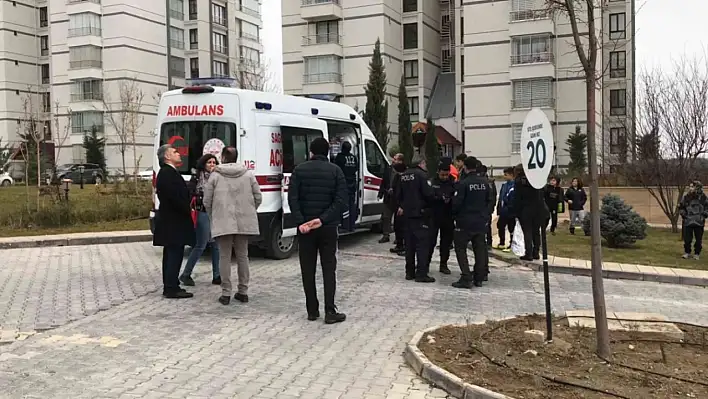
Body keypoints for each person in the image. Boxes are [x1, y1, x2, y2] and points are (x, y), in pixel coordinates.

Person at [288, 137, 348, 324]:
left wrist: (302, 223)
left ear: (311, 152)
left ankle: (312, 310)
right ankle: (330, 311)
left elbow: (293, 199)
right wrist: (322, 220)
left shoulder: (299, 170)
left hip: (305, 229)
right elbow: (340, 201)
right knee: (329, 269)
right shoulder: (336, 171)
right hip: (328, 228)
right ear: (328, 152)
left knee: (308, 269)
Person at [203, 147, 262, 305]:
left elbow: (207, 201)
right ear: (236, 157)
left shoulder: (215, 176)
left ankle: (226, 293)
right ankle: (243, 291)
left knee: (224, 256)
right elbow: (258, 197)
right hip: (244, 220)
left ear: (222, 157)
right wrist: (249, 210)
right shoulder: (248, 174)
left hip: (223, 220)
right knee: (243, 256)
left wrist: (214, 215)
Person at [153, 144, 195, 299]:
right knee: (174, 254)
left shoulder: (170, 173)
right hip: (173, 221)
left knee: (173, 253)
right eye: (175, 152)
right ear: (167, 157)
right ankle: (171, 287)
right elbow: (174, 197)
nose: (179, 154)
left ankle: (171, 285)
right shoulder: (167, 173)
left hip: (172, 221)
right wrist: (186, 207)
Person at [179, 154, 221, 287]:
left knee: (216, 245)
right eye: (209, 162)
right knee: (201, 245)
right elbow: (190, 193)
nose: (212, 164)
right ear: (204, 164)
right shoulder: (198, 177)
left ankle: (217, 275)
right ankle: (186, 274)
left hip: (215, 213)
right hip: (202, 212)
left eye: (214, 162)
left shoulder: (218, 177)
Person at [451, 156, 493, 288]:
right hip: (480, 221)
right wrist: (486, 216)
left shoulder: (464, 183)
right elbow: (491, 201)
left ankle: (466, 276)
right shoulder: (485, 183)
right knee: (480, 249)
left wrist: (454, 215)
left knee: (460, 248)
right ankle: (479, 277)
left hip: (465, 221)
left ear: (465, 167)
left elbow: (457, 203)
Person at [397, 153, 436, 282]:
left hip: (407, 215)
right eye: (424, 163)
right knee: (422, 245)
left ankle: (409, 272)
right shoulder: (422, 176)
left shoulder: (404, 175)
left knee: (409, 245)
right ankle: (421, 274)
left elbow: (398, 194)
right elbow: (429, 194)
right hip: (420, 215)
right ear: (421, 163)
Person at [513, 164, 549, 261]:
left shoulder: (519, 181)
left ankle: (528, 253)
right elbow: (544, 191)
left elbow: (517, 197)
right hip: (539, 208)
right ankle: (536, 252)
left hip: (526, 208)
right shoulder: (536, 179)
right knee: (536, 231)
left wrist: (516, 211)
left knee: (527, 231)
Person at [428, 161, 455, 275]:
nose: (444, 177)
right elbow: (428, 196)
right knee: (430, 242)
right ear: (438, 172)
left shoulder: (453, 182)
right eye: (442, 175)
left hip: (448, 216)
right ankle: (425, 263)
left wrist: (450, 199)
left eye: (446, 175)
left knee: (446, 243)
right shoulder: (432, 182)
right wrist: (439, 198)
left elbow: (457, 195)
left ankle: (443, 264)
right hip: (434, 215)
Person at [378, 153, 403, 244]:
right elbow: (384, 181)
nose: (393, 160)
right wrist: (380, 193)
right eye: (394, 158)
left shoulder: (403, 171)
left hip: (397, 198)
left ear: (400, 161)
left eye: (396, 159)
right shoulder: (388, 169)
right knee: (386, 217)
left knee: (398, 220)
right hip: (388, 196)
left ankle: (398, 237)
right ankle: (386, 235)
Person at [679, 181, 708, 260]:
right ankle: (687, 252)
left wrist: (703, 215)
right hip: (688, 221)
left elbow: (707, 207)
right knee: (687, 239)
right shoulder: (686, 197)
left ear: (697, 187)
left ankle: (697, 253)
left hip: (699, 222)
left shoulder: (703, 197)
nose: (690, 188)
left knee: (698, 240)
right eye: (690, 186)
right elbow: (681, 207)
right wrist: (684, 215)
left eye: (692, 186)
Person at [334, 141, 358, 232]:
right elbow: (355, 169)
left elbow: (337, 169)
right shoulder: (353, 157)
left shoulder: (340, 157)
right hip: (352, 184)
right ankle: (352, 225)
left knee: (344, 205)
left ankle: (345, 225)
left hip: (344, 184)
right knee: (352, 205)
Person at [390, 158, 408, 255]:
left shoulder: (405, 178)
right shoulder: (397, 177)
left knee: (403, 227)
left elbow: (406, 193)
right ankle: (399, 245)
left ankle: (405, 247)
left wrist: (403, 206)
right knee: (397, 226)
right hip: (396, 204)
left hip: (403, 206)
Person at [495, 167, 516, 251]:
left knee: (511, 227)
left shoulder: (514, 185)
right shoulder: (504, 185)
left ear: (511, 175)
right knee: (500, 225)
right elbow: (501, 197)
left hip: (510, 210)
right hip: (503, 210)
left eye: (506, 175)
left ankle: (512, 243)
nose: (504, 176)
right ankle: (502, 242)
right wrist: (499, 208)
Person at [478, 165, 497, 249]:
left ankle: (485, 242)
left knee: (483, 226)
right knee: (487, 225)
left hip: (482, 208)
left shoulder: (484, 182)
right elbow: (494, 196)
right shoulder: (490, 182)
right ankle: (488, 242)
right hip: (487, 208)